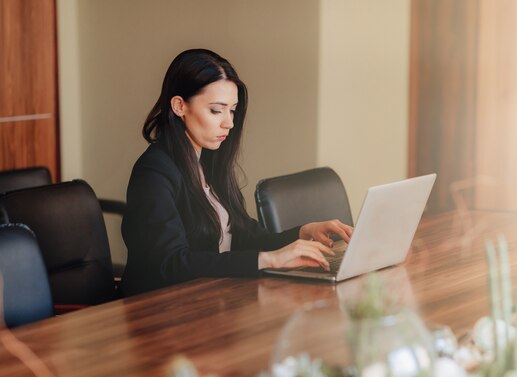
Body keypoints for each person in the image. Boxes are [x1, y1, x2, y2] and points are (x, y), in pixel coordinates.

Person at [121, 48, 353, 296]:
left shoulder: (208, 162)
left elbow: (244, 236)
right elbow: (171, 264)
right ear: (179, 106)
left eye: (232, 110)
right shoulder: (154, 171)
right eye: (216, 110)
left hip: (209, 300)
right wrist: (269, 260)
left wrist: (303, 233)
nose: (229, 122)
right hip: (161, 312)